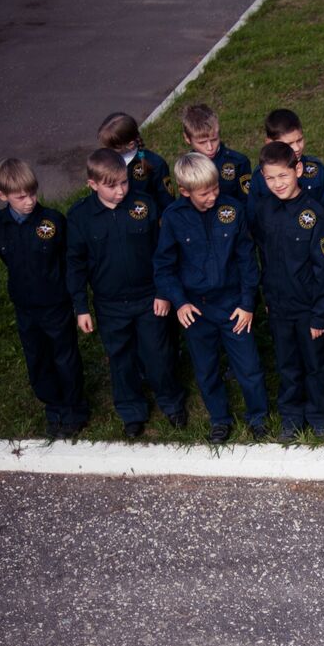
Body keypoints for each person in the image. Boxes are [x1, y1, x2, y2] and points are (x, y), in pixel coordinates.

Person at [65, 149, 186, 438]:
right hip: (110, 304)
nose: (120, 191)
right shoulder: (80, 217)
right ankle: (132, 411)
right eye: (111, 186)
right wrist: (81, 307)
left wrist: (163, 291)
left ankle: (171, 403)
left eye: (124, 182)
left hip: (149, 298)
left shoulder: (144, 204)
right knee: (121, 359)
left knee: (159, 355)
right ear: (92, 184)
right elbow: (75, 264)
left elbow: (164, 251)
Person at [153, 153, 269, 444]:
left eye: (216, 188)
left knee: (249, 366)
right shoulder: (173, 218)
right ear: (185, 191)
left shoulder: (232, 210)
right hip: (196, 309)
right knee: (205, 369)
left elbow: (246, 260)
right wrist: (179, 302)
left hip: (232, 306)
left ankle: (258, 417)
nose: (213, 196)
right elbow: (164, 267)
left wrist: (246, 303)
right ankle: (219, 419)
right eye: (205, 193)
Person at [0, 158, 88, 438]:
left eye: (32, 193)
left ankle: (74, 410)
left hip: (55, 305)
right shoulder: (0, 225)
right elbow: (5, 256)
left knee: (64, 358)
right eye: (21, 197)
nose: (30, 201)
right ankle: (53, 406)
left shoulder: (52, 221)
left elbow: (67, 260)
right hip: (25, 306)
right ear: (3, 196)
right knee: (38, 358)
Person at [248, 142, 324, 441]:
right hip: (279, 306)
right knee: (287, 365)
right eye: (270, 178)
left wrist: (319, 315)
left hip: (310, 308)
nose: (278, 184)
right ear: (262, 176)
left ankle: (319, 416)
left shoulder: (315, 213)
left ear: (298, 170)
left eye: (283, 176)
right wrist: (268, 299)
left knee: (315, 365)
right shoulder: (263, 210)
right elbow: (263, 253)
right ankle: (291, 416)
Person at [248, 108, 324, 206]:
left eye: (299, 140)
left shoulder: (316, 170)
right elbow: (253, 215)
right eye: (289, 144)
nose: (297, 148)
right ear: (269, 143)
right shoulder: (260, 176)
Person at [98, 111, 173, 211]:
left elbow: (167, 203)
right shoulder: (105, 162)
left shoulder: (156, 164)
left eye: (111, 148)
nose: (105, 151)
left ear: (130, 144)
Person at [181, 103, 251, 200]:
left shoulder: (238, 162)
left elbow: (247, 201)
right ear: (187, 138)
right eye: (202, 142)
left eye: (214, 140)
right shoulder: (185, 167)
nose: (210, 147)